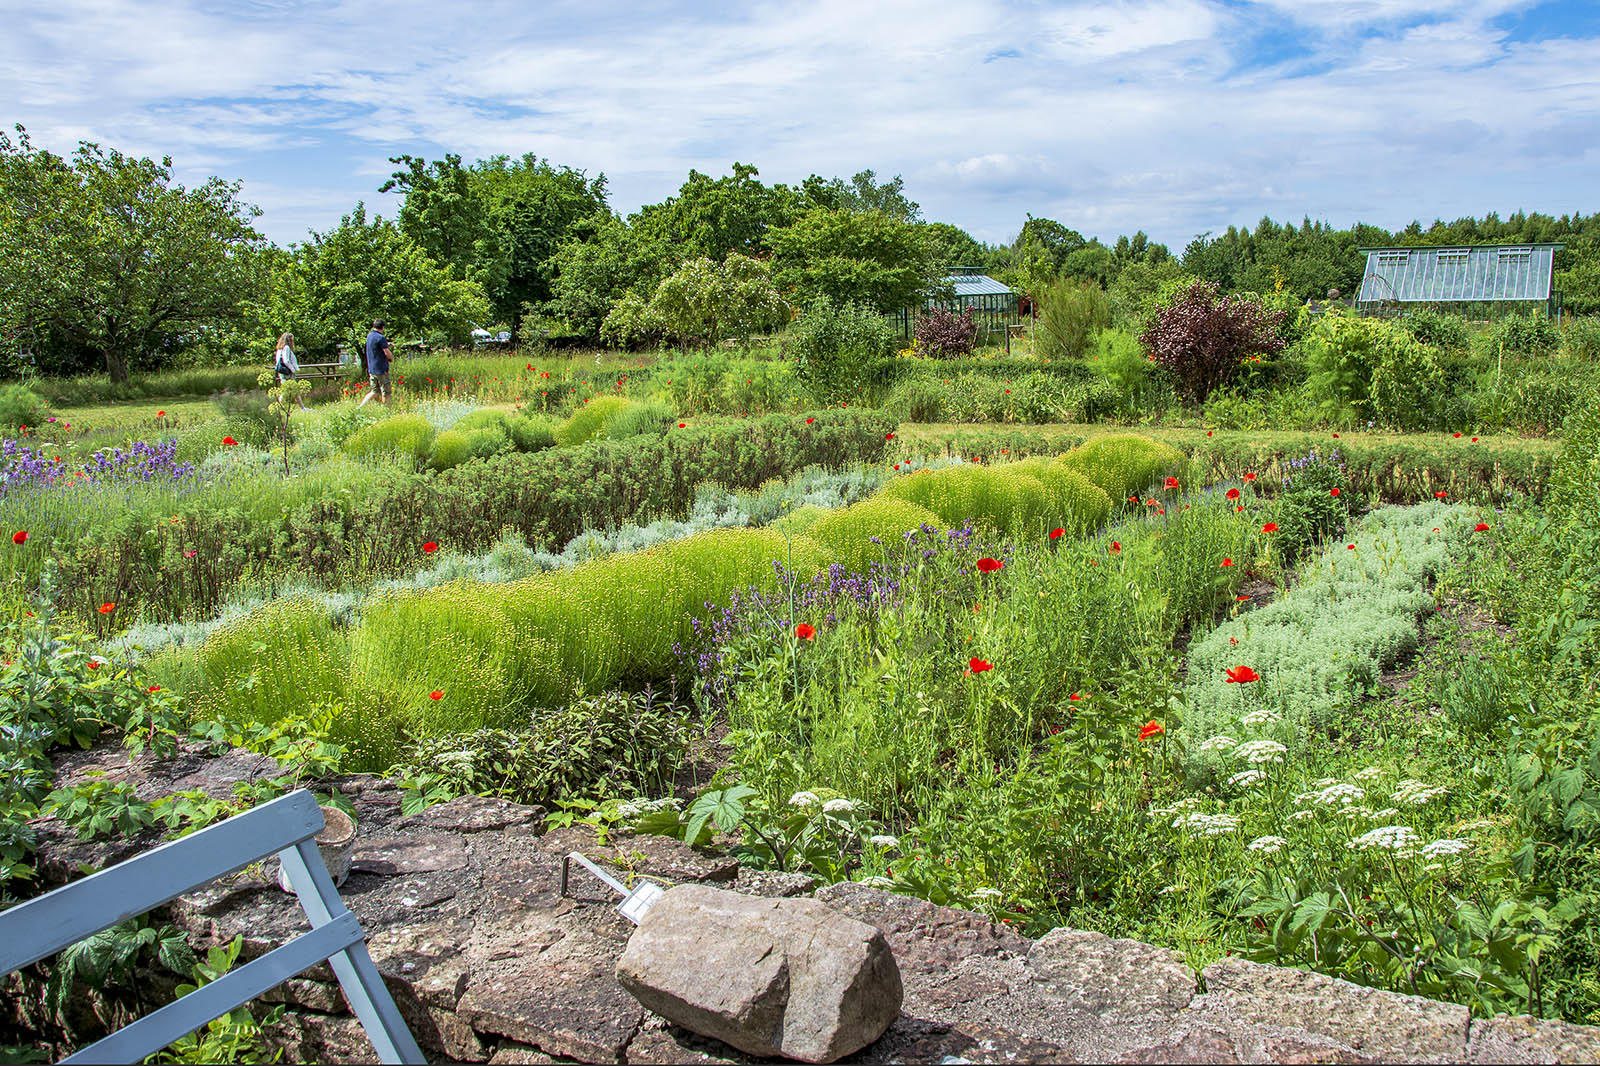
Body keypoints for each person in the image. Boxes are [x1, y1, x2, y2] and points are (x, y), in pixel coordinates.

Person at [359, 319, 392, 408]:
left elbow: (376, 346)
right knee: (386, 392)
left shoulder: (369, 336)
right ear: (383, 327)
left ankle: (359, 408)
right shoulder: (381, 337)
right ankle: (387, 412)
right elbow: (386, 352)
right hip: (381, 369)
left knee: (375, 391)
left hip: (372, 369)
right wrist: (390, 357)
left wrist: (387, 344)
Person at [274, 332, 307, 409]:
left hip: (281, 372)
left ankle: (302, 407)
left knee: (290, 390)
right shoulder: (286, 348)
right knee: (289, 390)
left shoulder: (279, 349)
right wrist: (293, 370)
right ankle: (278, 406)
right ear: (289, 340)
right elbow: (286, 361)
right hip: (287, 372)